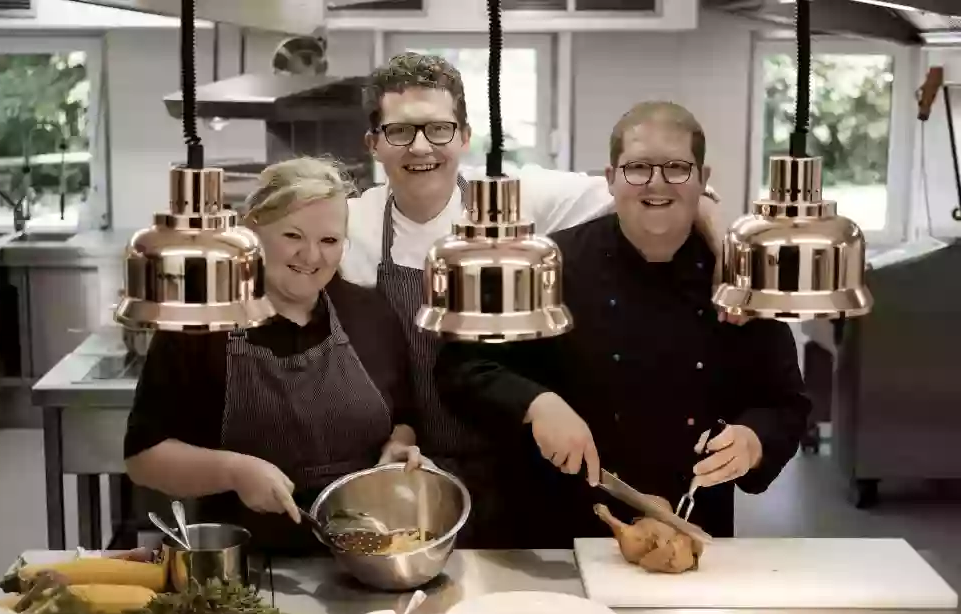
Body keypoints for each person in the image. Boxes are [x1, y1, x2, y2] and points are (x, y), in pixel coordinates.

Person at [338, 52, 725, 548]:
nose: (421, 148)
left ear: (464, 136)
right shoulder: (353, 223)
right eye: (400, 132)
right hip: (411, 464)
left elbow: (657, 187)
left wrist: (719, 238)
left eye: (438, 129)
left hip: (512, 465)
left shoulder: (519, 201)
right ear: (373, 143)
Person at [435, 102, 811, 545]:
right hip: (558, 529)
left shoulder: (738, 280)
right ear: (611, 179)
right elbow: (462, 366)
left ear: (703, 180)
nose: (656, 183)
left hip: (689, 529)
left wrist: (754, 440)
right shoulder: (547, 265)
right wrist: (535, 403)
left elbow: (786, 403)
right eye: (637, 168)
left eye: (676, 168)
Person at [123, 157, 427, 555]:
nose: (312, 256)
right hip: (240, 561)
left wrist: (398, 449)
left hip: (364, 552)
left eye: (330, 241)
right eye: (293, 236)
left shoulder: (370, 314)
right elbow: (144, 456)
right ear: (252, 231)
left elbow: (404, 418)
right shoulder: (202, 323)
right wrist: (235, 471)